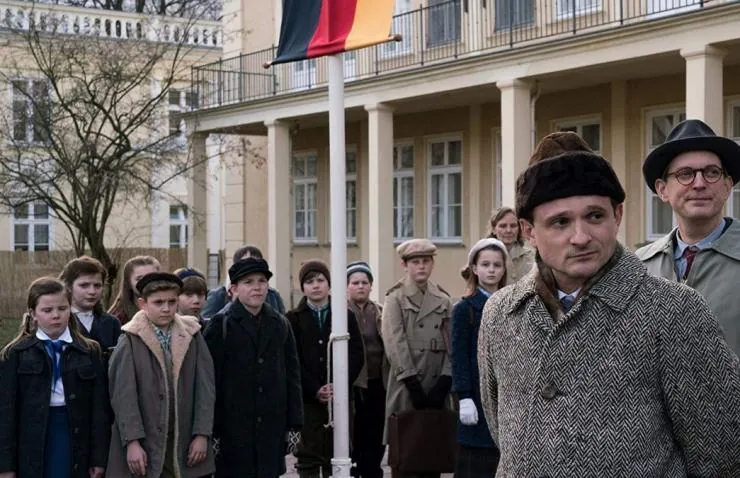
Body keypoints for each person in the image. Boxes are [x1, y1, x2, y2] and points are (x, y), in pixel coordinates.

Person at [477, 131, 740, 476]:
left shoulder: (674, 309)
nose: (581, 237)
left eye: (595, 216)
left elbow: (720, 451)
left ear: (617, 215)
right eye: (560, 222)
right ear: (529, 231)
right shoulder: (500, 314)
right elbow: (503, 431)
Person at [636, 119, 740, 355]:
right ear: (662, 189)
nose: (699, 184)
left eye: (712, 172)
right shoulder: (640, 268)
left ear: (727, 186)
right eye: (685, 174)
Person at [106, 272, 215, 478]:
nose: (166, 308)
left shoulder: (193, 335)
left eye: (171, 302)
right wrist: (132, 441)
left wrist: (202, 433)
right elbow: (123, 396)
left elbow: (206, 389)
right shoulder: (130, 340)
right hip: (146, 439)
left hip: (184, 437)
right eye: (158, 303)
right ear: (142, 304)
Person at [204, 257, 304, 478]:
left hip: (271, 427)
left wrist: (294, 424)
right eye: (248, 282)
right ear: (233, 289)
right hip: (233, 429)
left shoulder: (280, 323)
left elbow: (292, 375)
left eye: (261, 281)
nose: (257, 287)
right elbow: (211, 382)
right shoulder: (221, 324)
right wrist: (212, 431)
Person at [0, 277, 109, 478]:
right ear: (33, 314)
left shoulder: (89, 351)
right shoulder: (15, 354)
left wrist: (98, 459)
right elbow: (6, 413)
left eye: (62, 308)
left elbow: (99, 408)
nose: (56, 315)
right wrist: (5, 466)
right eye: (47, 310)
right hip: (32, 441)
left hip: (74, 434)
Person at [381, 239, 454, 478]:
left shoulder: (443, 299)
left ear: (432, 264)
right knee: (406, 453)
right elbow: (394, 342)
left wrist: (445, 380)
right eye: (415, 262)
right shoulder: (395, 298)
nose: (421, 266)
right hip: (407, 385)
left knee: (432, 455)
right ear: (404, 265)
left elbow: (452, 345)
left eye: (425, 261)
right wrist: (412, 383)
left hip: (436, 384)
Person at [286, 259, 365, 478]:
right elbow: (292, 360)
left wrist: (338, 383)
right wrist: (314, 389)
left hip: (339, 398)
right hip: (308, 401)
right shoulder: (292, 319)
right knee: (308, 458)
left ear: (329, 284)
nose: (316, 285)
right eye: (310, 281)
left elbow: (357, 354)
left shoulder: (344, 315)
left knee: (337, 454)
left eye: (320, 280)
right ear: (303, 287)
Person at [451, 238, 507, 478]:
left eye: (497, 265)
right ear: (474, 268)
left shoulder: (510, 305)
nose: (491, 270)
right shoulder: (465, 308)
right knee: (476, 464)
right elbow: (459, 355)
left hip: (504, 394)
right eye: (485, 264)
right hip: (476, 394)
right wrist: (464, 396)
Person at [346, 261, 385, 478]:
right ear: (347, 286)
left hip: (378, 381)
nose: (360, 286)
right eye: (355, 283)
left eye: (364, 282)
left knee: (376, 434)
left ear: (371, 285)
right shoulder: (341, 312)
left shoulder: (379, 312)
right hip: (354, 384)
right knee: (355, 433)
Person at [58, 255, 122, 353]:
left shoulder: (112, 323)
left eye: (97, 286)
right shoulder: (58, 322)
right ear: (69, 286)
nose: (92, 291)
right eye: (84, 285)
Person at [202, 245, 286, 318]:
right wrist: (234, 304)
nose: (251, 267)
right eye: (246, 262)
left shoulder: (273, 295)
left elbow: (283, 322)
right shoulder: (218, 295)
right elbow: (209, 323)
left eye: (255, 262)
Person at [108, 255, 161, 325]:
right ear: (128, 283)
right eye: (139, 279)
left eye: (152, 277)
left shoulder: (170, 312)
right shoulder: (117, 321)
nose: (146, 282)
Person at [487, 207, 534, 283]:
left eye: (513, 226)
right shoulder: (483, 256)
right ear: (494, 229)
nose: (508, 230)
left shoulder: (531, 257)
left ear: (519, 229)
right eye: (503, 226)